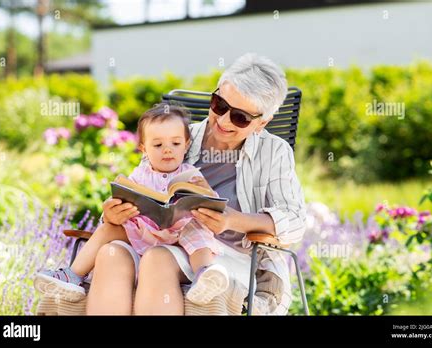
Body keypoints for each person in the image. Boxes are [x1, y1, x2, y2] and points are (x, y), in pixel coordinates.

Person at [86, 53, 307, 315]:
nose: (223, 121)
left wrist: (234, 221)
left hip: (225, 257)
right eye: (219, 105)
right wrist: (113, 215)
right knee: (110, 255)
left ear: (262, 123)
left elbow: (295, 221)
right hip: (154, 239)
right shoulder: (176, 138)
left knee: (158, 259)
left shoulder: (274, 152)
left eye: (240, 118)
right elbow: (139, 186)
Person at [34, 104, 229, 305]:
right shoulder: (139, 174)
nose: (168, 150)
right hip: (144, 232)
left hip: (179, 237)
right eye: (158, 145)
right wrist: (118, 206)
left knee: (197, 231)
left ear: (186, 145)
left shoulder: (192, 175)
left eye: (176, 143)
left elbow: (211, 204)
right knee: (110, 227)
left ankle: (205, 275)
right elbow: (125, 199)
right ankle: (73, 275)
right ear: (144, 148)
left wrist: (205, 192)